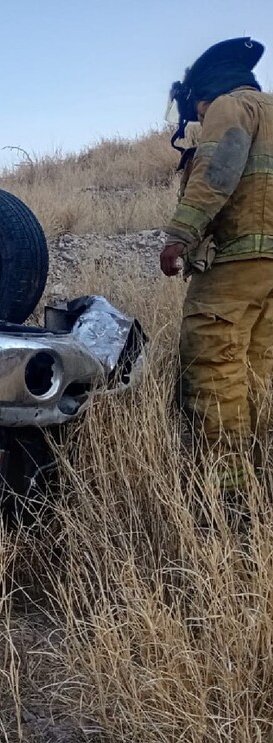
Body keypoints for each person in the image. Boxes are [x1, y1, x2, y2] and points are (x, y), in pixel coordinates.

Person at [159, 38, 273, 488]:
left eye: (196, 112)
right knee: (260, 368)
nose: (199, 119)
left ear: (203, 94)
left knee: (214, 365)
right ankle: (263, 470)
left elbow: (218, 172)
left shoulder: (230, 107)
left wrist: (179, 236)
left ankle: (227, 488)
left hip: (235, 264)